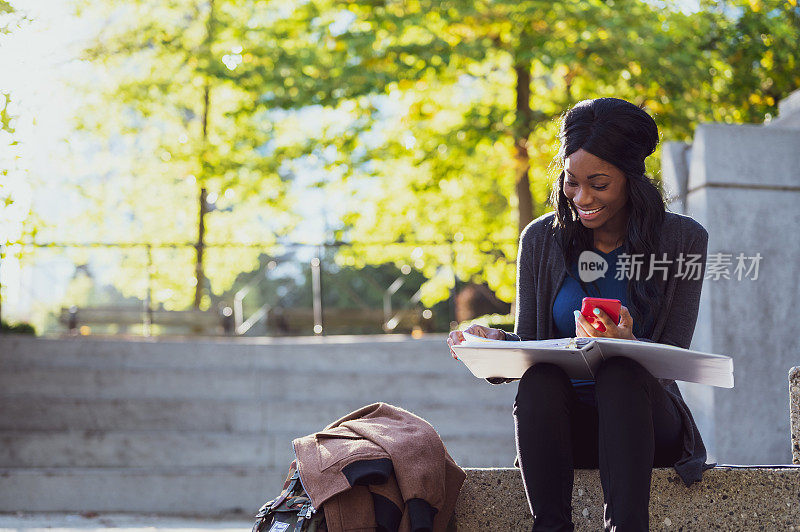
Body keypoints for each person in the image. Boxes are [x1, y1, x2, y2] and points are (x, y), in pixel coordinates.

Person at [446, 97, 713, 531]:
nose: (582, 197)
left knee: (622, 373)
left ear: (631, 178)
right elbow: (530, 343)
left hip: (642, 428)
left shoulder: (683, 239)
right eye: (572, 182)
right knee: (541, 378)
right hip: (564, 431)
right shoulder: (540, 239)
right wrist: (493, 344)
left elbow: (672, 359)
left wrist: (627, 347)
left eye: (599, 183)